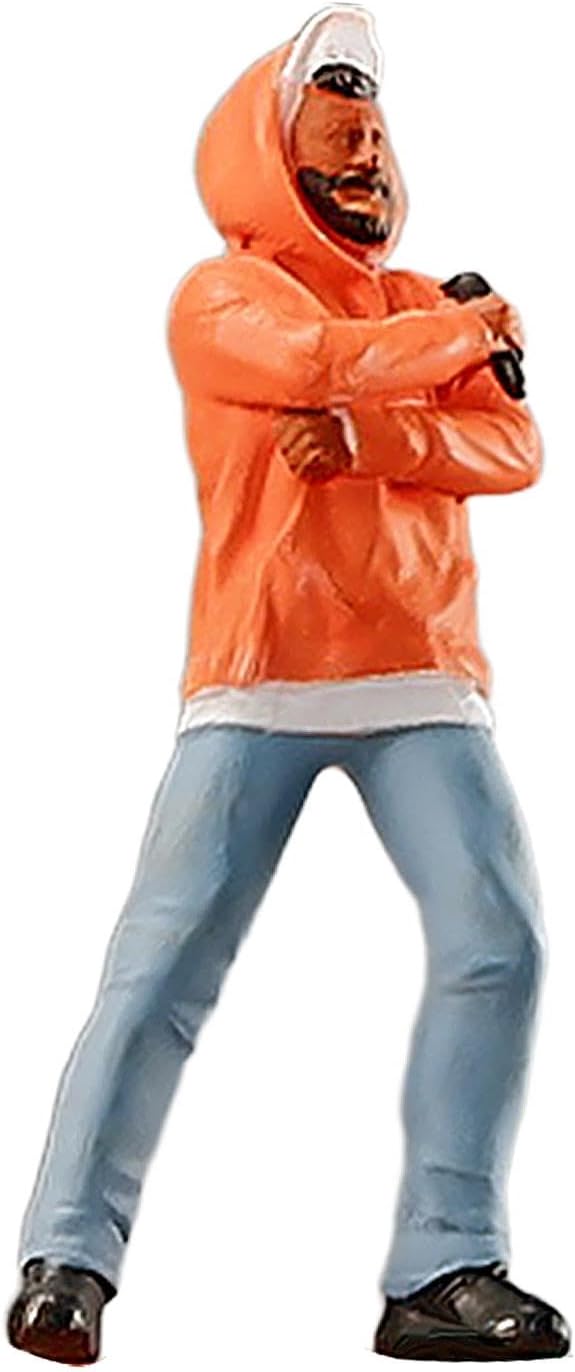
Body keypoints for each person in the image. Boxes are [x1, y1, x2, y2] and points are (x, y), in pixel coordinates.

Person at [7, 5, 570, 1362]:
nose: (367, 154)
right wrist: (465, 336)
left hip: (421, 672)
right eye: (338, 131)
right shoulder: (223, 297)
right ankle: (65, 1256)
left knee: (500, 941)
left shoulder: (417, 304)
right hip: (258, 676)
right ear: (272, 155)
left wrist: (378, 434)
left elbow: (514, 448)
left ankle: (448, 1264)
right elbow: (313, 364)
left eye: (376, 131)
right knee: (161, 966)